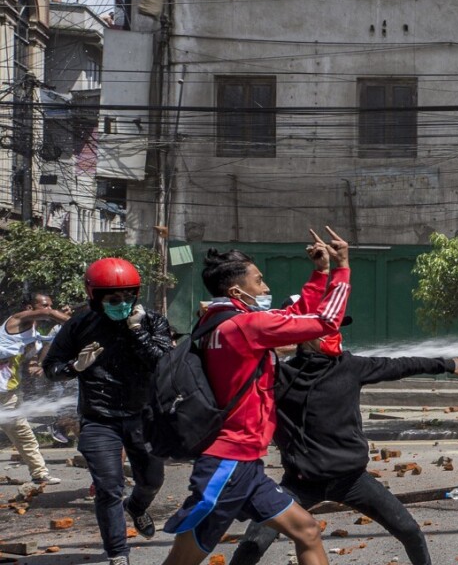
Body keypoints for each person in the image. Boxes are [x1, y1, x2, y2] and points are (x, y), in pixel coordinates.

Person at [160, 227, 352, 565]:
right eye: (259, 281)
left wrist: (318, 273)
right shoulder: (245, 327)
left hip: (244, 463)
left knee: (306, 530)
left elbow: (291, 318)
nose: (266, 288)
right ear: (237, 290)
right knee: (182, 561)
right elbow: (325, 320)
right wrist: (341, 268)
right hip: (228, 464)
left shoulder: (217, 322)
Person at [228, 307, 458, 565]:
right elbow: (235, 361)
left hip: (352, 480)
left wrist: (446, 364)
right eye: (326, 328)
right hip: (299, 484)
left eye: (336, 327)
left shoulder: (350, 366)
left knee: (410, 531)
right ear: (305, 334)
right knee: (253, 544)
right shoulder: (278, 375)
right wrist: (278, 347)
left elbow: (400, 365)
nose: (335, 334)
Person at [42, 259, 173, 565]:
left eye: (129, 296)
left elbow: (164, 363)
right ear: (95, 296)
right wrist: (74, 367)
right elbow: (51, 368)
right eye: (114, 299)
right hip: (99, 417)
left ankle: (138, 508)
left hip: (144, 416)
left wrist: (137, 330)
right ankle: (118, 554)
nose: (123, 303)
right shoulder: (78, 325)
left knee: (152, 480)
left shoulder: (152, 321)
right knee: (108, 487)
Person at [0, 292, 70, 484]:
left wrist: (34, 365)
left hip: (7, 395)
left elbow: (29, 359)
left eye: (51, 305)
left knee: (24, 435)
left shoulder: (32, 333)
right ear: (29, 308)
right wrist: (78, 323)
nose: (49, 309)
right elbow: (50, 315)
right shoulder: (17, 319)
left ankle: (39, 474)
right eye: (44, 305)